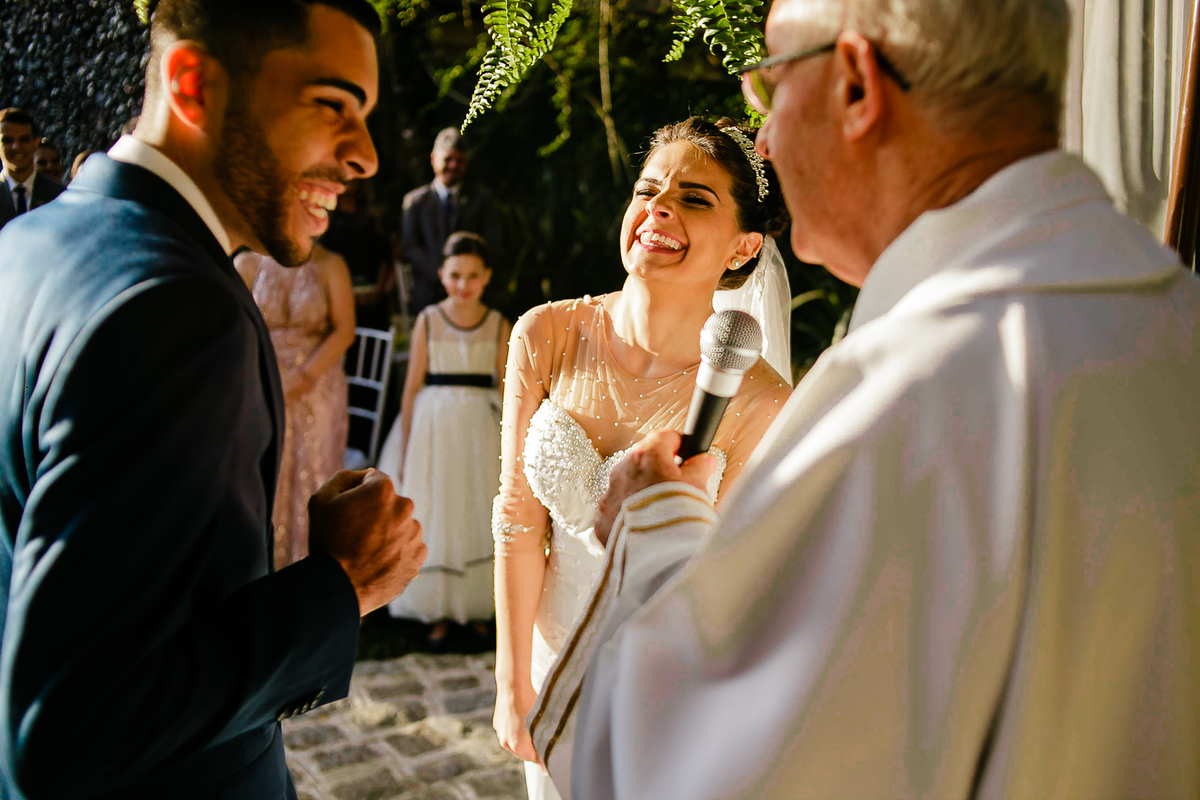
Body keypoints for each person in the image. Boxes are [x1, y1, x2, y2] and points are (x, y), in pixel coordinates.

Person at [535, 0, 1200, 797]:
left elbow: (690, 776)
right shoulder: (1174, 314)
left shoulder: (904, 399)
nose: (768, 141)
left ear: (856, 84)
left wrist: (653, 531)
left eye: (769, 88)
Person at [0, 0, 427, 796]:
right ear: (193, 84)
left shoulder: (27, 246)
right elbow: (70, 726)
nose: (365, 156)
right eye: (332, 105)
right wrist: (341, 585)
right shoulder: (174, 308)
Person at [492, 117, 794, 800]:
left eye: (694, 198)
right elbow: (517, 519)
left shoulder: (762, 402)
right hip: (549, 664)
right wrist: (514, 685)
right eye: (648, 190)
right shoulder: (544, 334)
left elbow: (729, 584)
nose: (658, 207)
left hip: (667, 690)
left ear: (743, 245)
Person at [377, 231, 510, 643]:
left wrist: (512, 436)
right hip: (435, 424)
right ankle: (437, 607)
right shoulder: (429, 320)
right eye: (455, 275)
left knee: (474, 506)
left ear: (486, 277)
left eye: (472, 275)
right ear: (441, 276)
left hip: (480, 425)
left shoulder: (499, 322)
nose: (464, 284)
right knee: (440, 506)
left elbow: (507, 384)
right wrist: (406, 437)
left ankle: (475, 607)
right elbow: (412, 384)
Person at [235, 245, 356, 568]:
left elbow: (345, 330)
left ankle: (312, 568)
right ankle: (258, 567)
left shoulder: (331, 264)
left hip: (317, 378)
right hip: (260, 373)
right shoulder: (247, 263)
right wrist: (267, 373)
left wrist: (304, 377)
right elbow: (235, 327)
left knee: (311, 467)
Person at [400, 127, 504, 312]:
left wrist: (466, 276)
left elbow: (492, 243)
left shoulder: (481, 200)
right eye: (448, 159)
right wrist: (443, 276)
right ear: (434, 159)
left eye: (460, 160)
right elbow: (409, 246)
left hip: (471, 294)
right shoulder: (415, 202)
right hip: (428, 293)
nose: (454, 165)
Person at [0, 107, 64, 230]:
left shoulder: (59, 196)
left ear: (36, 143)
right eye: (8, 140)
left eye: (24, 139)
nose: (16, 147)